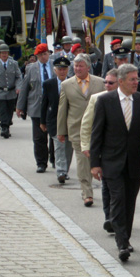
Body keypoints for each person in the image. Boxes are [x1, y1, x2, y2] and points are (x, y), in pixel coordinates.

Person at [91, 64, 140, 261]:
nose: (137, 82)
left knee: (129, 202)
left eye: (137, 79)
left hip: (134, 162)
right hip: (111, 161)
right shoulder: (105, 101)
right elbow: (97, 133)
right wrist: (95, 163)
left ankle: (125, 237)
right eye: (132, 79)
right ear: (121, 81)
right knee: (117, 201)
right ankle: (121, 243)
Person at [57, 53, 105, 207]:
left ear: (88, 67)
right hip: (76, 129)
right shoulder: (67, 85)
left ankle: (104, 189)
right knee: (83, 162)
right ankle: (87, 193)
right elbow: (62, 109)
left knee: (97, 160)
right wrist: (61, 131)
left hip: (98, 129)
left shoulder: (100, 83)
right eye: (75, 66)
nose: (77, 68)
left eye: (80, 66)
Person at [80, 69, 119, 233]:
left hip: (124, 150)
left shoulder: (131, 99)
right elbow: (86, 124)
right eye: (105, 82)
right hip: (104, 149)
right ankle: (109, 217)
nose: (107, 85)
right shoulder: (97, 99)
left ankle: (120, 217)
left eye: (111, 83)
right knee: (107, 185)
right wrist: (86, 146)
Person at [16, 43, 57, 172]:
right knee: (39, 138)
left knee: (55, 136)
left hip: (53, 107)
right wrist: (20, 106)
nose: (44, 57)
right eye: (41, 55)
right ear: (37, 56)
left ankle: (55, 159)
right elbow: (24, 88)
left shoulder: (55, 66)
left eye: (46, 54)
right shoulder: (31, 68)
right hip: (37, 107)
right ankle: (41, 163)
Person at [40, 57, 73, 183]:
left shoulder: (73, 82)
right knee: (59, 146)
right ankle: (60, 171)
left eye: (64, 69)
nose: (62, 71)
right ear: (55, 70)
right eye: (60, 69)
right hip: (54, 120)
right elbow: (44, 103)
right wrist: (42, 121)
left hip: (69, 120)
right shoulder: (49, 84)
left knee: (68, 148)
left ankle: (65, 170)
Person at [0, 44, 22, 138]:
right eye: (2, 53)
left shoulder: (13, 64)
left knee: (10, 110)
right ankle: (4, 128)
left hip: (11, 91)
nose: (4, 54)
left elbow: (18, 77)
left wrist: (18, 87)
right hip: (0, 91)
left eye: (6, 53)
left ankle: (7, 125)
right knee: (2, 110)